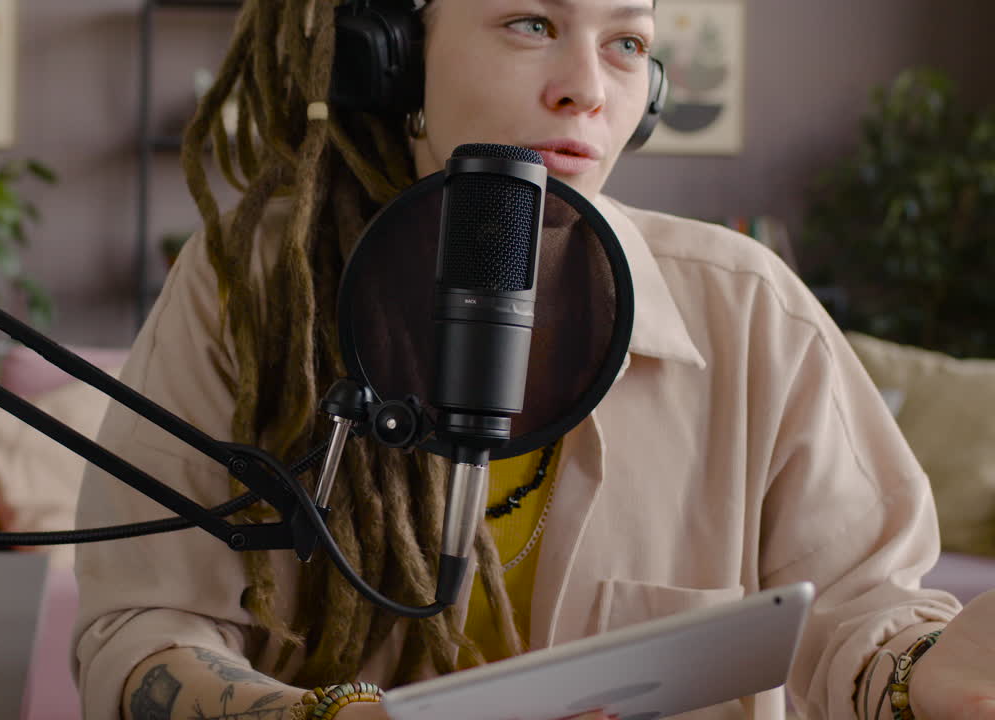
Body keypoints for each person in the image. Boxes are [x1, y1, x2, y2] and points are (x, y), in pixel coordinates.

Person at [73, 1, 995, 719]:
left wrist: (926, 677)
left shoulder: (753, 312)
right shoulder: (257, 288)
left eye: (627, 46)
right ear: (392, 61)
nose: (587, 90)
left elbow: (863, 622)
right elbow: (141, 631)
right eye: (531, 25)